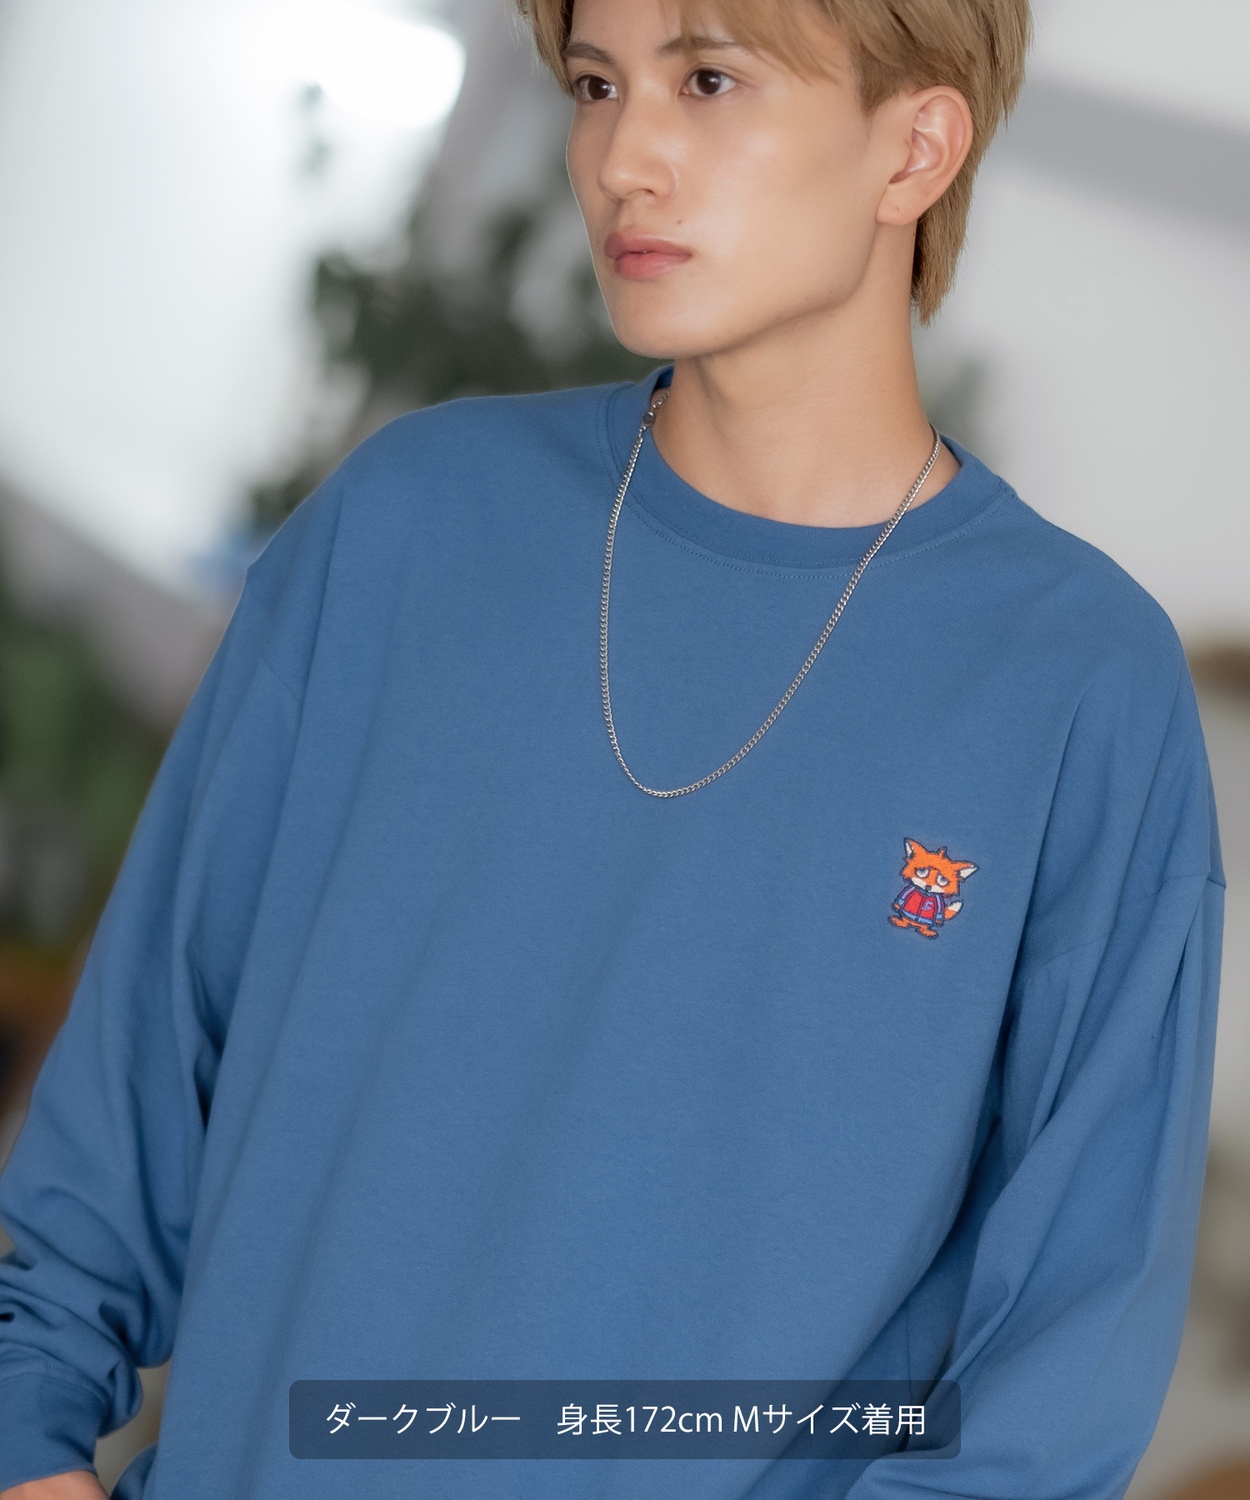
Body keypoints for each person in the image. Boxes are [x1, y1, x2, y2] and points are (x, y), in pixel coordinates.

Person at [0, 0, 1225, 1495]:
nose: (621, 157)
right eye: (596, 83)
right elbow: (131, 1087)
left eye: (706, 79)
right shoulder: (405, 527)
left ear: (914, 148)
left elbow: (1059, 1369)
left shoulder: (1076, 688)